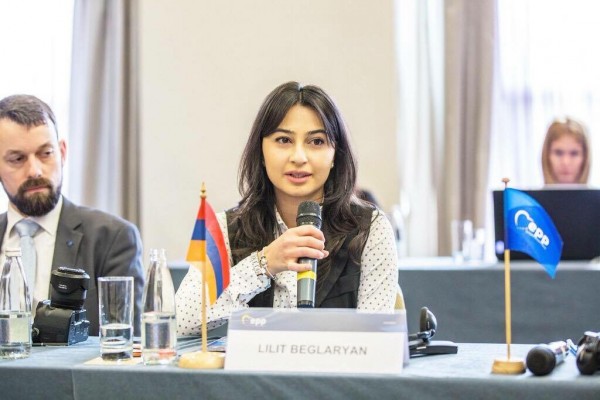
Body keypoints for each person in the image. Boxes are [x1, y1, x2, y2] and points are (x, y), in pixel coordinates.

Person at [176, 81, 400, 335]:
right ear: (261, 151)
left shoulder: (370, 229)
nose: (299, 157)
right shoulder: (225, 228)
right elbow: (182, 321)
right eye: (283, 140)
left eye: (316, 141)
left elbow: (376, 340)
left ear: (335, 155)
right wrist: (264, 263)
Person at [0, 94, 144, 336]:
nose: (35, 171)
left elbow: (124, 344)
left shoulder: (112, 238)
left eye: (46, 153)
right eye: (17, 159)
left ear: (62, 152)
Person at [541, 117, 591, 185]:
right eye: (558, 153)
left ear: (585, 157)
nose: (566, 162)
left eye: (574, 153)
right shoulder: (528, 192)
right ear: (546, 156)